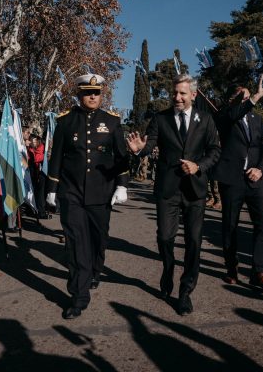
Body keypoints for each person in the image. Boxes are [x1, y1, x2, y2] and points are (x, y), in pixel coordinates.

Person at [127, 74, 221, 315]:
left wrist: (198, 166)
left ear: (193, 94)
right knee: (165, 238)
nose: (177, 97)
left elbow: (214, 151)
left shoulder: (206, 120)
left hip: (195, 190)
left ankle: (186, 290)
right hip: (167, 190)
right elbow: (150, 144)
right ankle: (168, 268)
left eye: (182, 93)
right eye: (174, 93)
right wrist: (139, 150)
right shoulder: (161, 118)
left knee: (193, 242)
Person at [46, 74, 130, 320]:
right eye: (87, 92)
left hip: (102, 193)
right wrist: (52, 189)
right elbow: (56, 158)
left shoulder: (112, 122)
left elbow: (120, 157)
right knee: (75, 244)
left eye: (97, 92)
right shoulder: (65, 121)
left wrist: (122, 185)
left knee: (98, 238)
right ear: (79, 95)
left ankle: (95, 270)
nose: (93, 96)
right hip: (71, 193)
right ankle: (78, 296)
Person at [213, 79, 263, 290]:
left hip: (255, 180)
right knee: (230, 225)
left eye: (248, 97)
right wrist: (253, 98)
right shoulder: (224, 116)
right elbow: (232, 114)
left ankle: (259, 271)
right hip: (232, 180)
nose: (247, 100)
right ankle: (232, 268)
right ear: (232, 99)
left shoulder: (257, 120)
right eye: (242, 97)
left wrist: (261, 169)